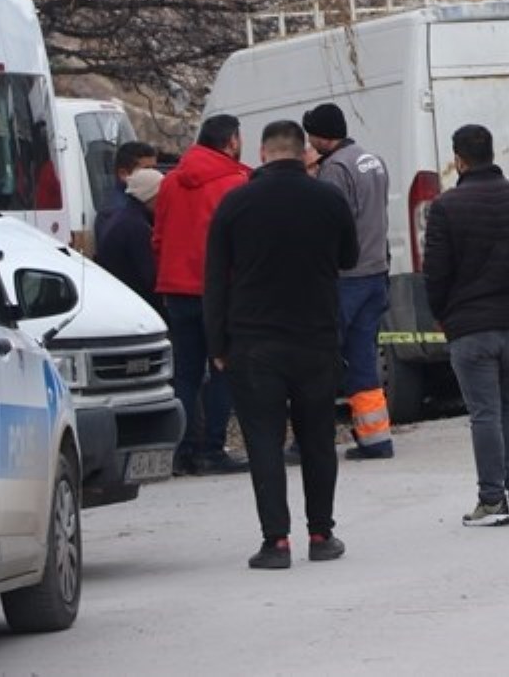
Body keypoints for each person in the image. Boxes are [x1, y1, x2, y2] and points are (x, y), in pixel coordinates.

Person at [205, 120, 358, 569]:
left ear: (262, 151)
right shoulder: (329, 199)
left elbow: (215, 278)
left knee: (264, 441)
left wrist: (218, 343)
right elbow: (348, 258)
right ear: (303, 151)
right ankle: (321, 533)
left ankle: (276, 542)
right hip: (316, 336)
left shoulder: (235, 204)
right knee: (317, 438)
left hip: (254, 341)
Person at [423, 124, 509, 527]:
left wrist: (442, 316)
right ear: (491, 154)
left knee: (484, 413)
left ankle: (492, 500)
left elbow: (436, 273)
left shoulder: (445, 208)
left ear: (458, 160)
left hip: (471, 325)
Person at [153, 114, 252, 476]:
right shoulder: (237, 183)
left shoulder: (170, 183)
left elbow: (159, 237)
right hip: (219, 291)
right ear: (231, 143)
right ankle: (212, 448)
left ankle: (182, 450)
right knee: (223, 367)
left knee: (185, 373)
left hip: (176, 288)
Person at [304, 103, 395, 460]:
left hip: (346, 278)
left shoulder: (335, 170)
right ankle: (376, 440)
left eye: (311, 135)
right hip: (376, 273)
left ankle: (315, 440)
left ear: (322, 136)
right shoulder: (373, 161)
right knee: (362, 359)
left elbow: (332, 226)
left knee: (322, 358)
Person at [95, 167, 164, 315]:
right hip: (133, 303)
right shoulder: (137, 227)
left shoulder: (123, 217)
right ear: (150, 196)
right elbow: (149, 276)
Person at [94, 141, 158, 240]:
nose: (153, 174)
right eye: (146, 170)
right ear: (123, 174)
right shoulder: (117, 212)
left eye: (154, 169)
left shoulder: (139, 204)